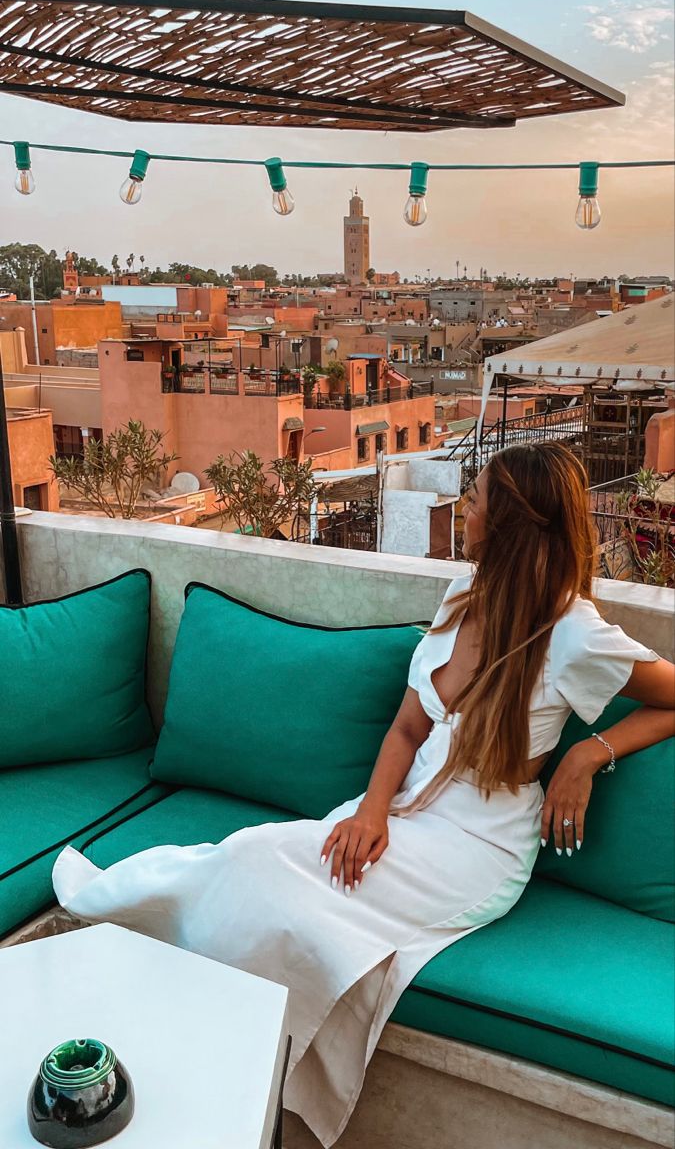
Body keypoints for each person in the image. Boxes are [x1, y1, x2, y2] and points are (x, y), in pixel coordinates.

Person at [52, 443, 675, 1148]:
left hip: (475, 847)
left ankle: (233, 1079)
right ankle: (175, 1021)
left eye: (474, 502)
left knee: (278, 889)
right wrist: (373, 810)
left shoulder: (571, 634)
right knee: (251, 857)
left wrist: (589, 755)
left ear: (508, 522)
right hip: (405, 810)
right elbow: (407, 729)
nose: (463, 511)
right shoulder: (462, 598)